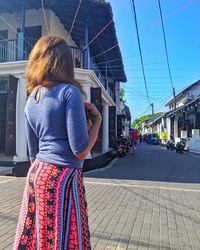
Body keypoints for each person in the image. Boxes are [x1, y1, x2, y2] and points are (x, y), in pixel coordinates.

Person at [13, 36, 102, 249]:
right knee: (64, 238)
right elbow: (80, 150)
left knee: (41, 237)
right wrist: (97, 120)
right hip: (63, 178)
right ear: (64, 62)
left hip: (37, 175)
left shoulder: (32, 98)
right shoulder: (68, 92)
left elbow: (33, 154)